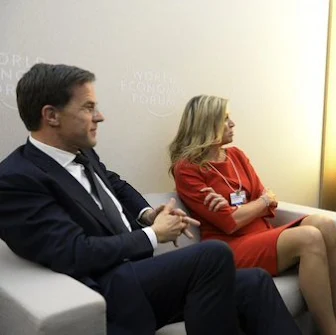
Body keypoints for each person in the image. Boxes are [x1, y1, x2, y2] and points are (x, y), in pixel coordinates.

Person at [0, 63, 301, 335]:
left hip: (141, 278)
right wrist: (153, 235)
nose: (100, 116)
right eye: (88, 107)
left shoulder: (83, 154)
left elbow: (115, 185)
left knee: (256, 281)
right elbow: (74, 252)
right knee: (212, 254)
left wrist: (146, 213)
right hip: (110, 290)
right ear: (51, 115)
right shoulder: (16, 179)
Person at [170, 95, 336, 335]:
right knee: (310, 237)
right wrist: (257, 204)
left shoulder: (236, 156)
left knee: (325, 224)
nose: (232, 124)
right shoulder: (187, 169)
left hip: (261, 234)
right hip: (230, 247)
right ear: (207, 123)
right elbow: (230, 223)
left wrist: (250, 206)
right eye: (226, 119)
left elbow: (269, 202)